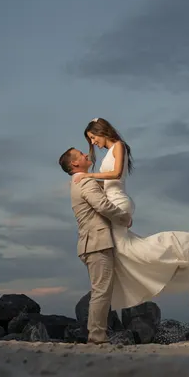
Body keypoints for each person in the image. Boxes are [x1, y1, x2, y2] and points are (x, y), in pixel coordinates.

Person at [71, 117, 189, 311]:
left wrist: (88, 176)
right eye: (90, 140)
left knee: (127, 251)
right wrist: (86, 183)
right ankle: (167, 264)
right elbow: (107, 182)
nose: (93, 143)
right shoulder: (110, 152)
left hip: (118, 202)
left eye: (93, 137)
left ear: (102, 131)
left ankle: (178, 254)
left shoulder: (119, 146)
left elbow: (116, 174)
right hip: (115, 200)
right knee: (125, 252)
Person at [58, 147, 132, 344]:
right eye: (80, 154)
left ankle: (97, 334)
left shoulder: (81, 181)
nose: (85, 154)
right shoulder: (85, 182)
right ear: (74, 163)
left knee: (101, 289)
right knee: (101, 290)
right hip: (96, 244)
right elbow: (102, 206)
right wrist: (124, 218)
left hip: (91, 243)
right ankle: (97, 336)